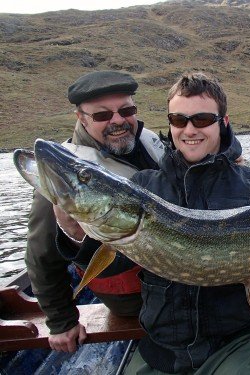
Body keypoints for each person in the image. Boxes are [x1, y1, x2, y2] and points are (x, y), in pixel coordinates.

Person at [124, 72, 250, 374]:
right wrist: (73, 233)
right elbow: (109, 265)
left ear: (224, 122)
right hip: (163, 349)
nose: (189, 129)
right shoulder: (143, 187)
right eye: (179, 120)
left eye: (202, 119)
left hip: (239, 342)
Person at [24, 70, 164, 353]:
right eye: (102, 115)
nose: (118, 121)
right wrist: (61, 321)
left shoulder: (150, 143)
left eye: (127, 110)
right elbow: (40, 254)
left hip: (177, 269)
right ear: (81, 119)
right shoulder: (65, 183)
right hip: (136, 296)